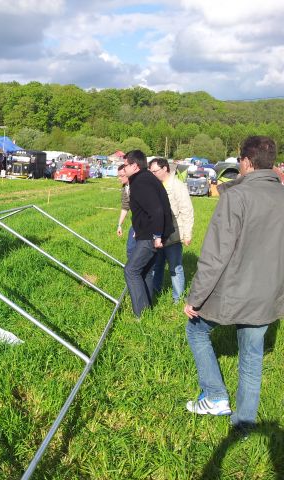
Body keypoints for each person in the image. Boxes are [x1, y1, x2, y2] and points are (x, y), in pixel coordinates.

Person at [184, 136, 284, 436]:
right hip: (268, 293)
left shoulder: (236, 196)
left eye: (240, 159)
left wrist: (195, 298)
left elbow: (215, 255)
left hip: (234, 290)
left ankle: (215, 396)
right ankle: (244, 423)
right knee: (252, 356)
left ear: (246, 162)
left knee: (196, 330)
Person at [121, 150, 173, 317]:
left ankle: (141, 315)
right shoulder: (145, 178)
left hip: (151, 236)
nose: (123, 169)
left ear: (135, 166)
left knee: (131, 270)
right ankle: (148, 308)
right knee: (145, 270)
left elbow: (157, 209)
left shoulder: (141, 181)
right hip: (147, 233)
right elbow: (145, 211)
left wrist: (157, 235)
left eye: (126, 165)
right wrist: (139, 229)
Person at [148, 157, 194, 303]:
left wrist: (187, 234)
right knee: (157, 265)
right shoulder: (155, 186)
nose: (152, 174)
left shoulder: (177, 186)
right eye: (151, 171)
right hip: (157, 234)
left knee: (175, 267)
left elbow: (187, 210)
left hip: (173, 235)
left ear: (165, 169)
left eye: (155, 171)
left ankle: (178, 298)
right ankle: (155, 290)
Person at [116, 163, 136, 258]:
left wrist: (140, 227)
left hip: (144, 223)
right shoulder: (125, 187)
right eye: (118, 176)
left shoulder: (137, 186)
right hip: (136, 222)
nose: (119, 178)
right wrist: (119, 225)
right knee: (130, 249)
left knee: (139, 251)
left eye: (122, 176)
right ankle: (132, 270)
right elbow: (125, 207)